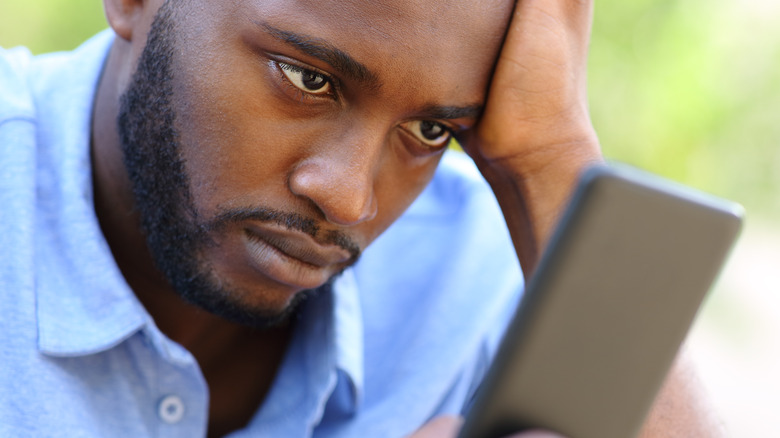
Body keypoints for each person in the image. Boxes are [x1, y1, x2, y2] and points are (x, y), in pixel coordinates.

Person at [0, 0, 722, 436]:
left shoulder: (476, 276)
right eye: (308, 79)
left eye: (432, 132)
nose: (348, 198)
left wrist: (553, 157)